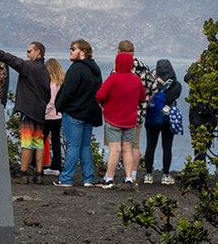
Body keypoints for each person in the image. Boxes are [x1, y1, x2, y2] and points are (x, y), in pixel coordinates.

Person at [0, 41, 51, 184]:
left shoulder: (30, 68)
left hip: (28, 109)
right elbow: (48, 94)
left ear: (37, 52)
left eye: (29, 51)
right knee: (38, 143)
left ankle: (23, 173)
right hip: (39, 111)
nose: (27, 54)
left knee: (27, 143)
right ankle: (39, 174)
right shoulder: (45, 71)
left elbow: (15, 61)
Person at [54, 39, 103, 187]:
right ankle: (88, 179)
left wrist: (59, 105)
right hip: (89, 113)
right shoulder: (96, 70)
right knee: (85, 145)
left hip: (74, 113)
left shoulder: (76, 69)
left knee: (73, 146)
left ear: (82, 52)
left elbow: (68, 91)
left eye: (73, 49)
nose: (70, 51)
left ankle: (66, 179)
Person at [96, 51, 146, 189]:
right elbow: (142, 97)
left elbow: (99, 95)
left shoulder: (113, 79)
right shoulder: (136, 79)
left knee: (115, 150)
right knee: (128, 149)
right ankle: (129, 178)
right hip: (130, 120)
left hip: (113, 119)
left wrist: (105, 104)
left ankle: (109, 178)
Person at [143, 59, 181, 185]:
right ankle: (165, 175)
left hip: (152, 118)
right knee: (167, 147)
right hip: (168, 118)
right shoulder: (176, 85)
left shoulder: (153, 83)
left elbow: (147, 95)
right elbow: (173, 97)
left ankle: (148, 175)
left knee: (150, 146)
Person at [43, 58, 65, 176]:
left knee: (40, 140)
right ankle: (56, 165)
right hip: (59, 116)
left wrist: (44, 112)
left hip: (49, 116)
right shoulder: (61, 82)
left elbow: (51, 101)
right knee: (56, 140)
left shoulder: (51, 84)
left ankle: (37, 164)